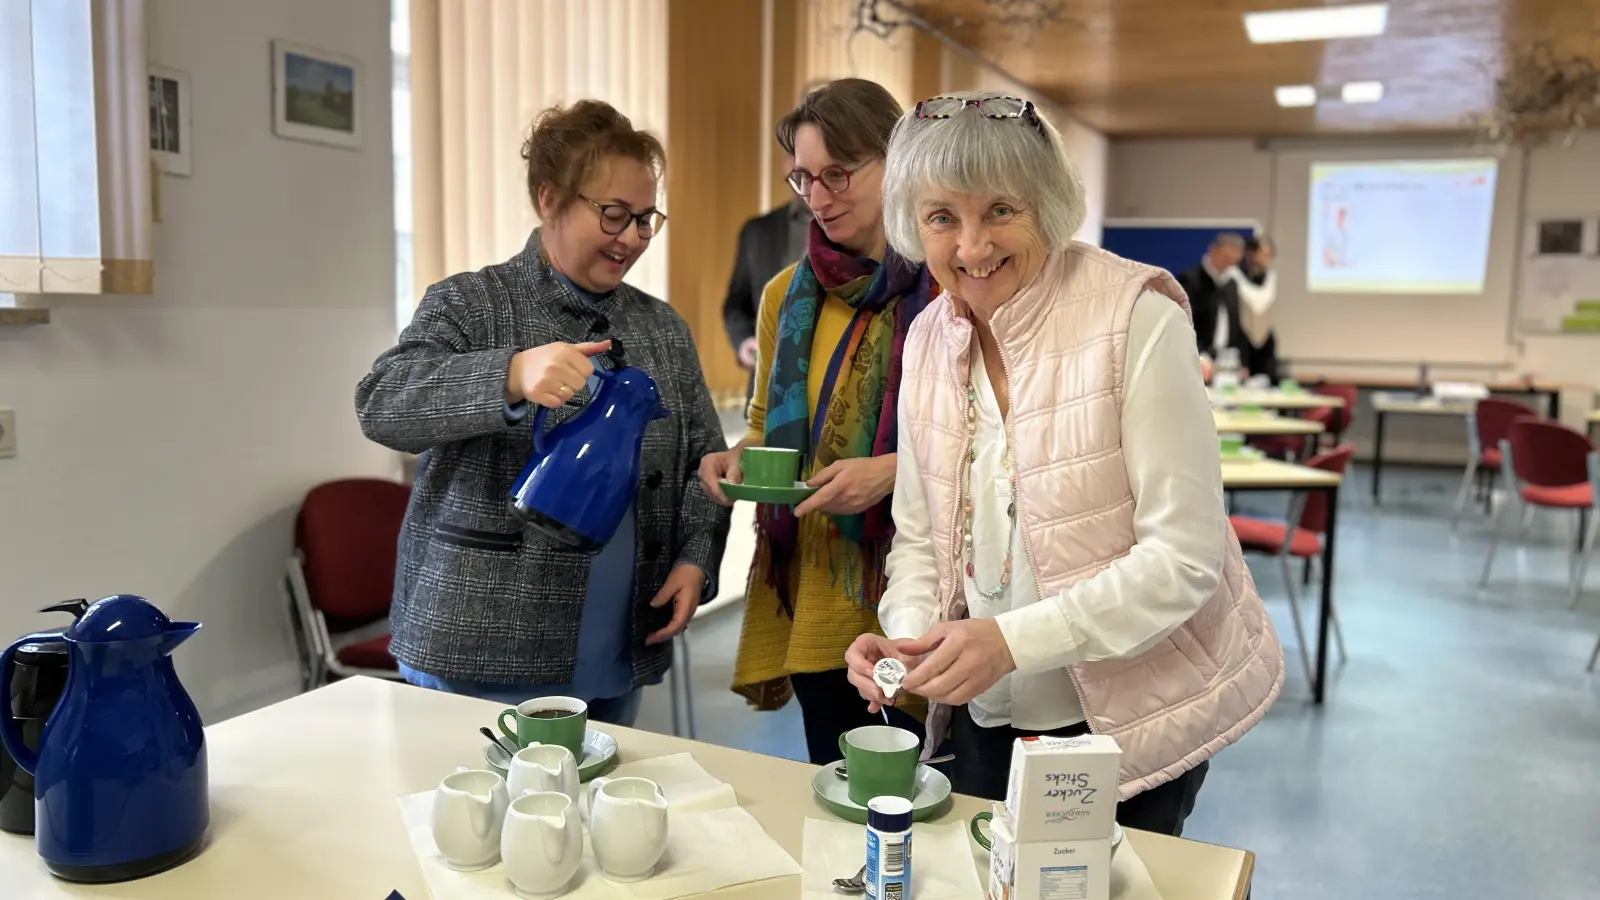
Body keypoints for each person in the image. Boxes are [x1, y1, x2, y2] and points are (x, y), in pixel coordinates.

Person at [846, 92, 1283, 836]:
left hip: (1128, 716)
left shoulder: (1136, 317)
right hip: (989, 708)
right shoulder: (928, 338)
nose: (972, 246)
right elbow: (920, 538)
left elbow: (1184, 558)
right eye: (942, 217)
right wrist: (911, 639)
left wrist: (1012, 641)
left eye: (1001, 211)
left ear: (1046, 204)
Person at [355, 100, 730, 727]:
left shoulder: (661, 327)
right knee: (480, 822)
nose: (631, 237)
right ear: (548, 198)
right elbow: (383, 403)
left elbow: (703, 461)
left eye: (644, 219)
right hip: (480, 644)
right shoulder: (473, 304)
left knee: (588, 816)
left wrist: (696, 557)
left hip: (618, 640)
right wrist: (508, 375)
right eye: (613, 214)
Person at [697, 78, 937, 765]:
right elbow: (765, 425)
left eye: (838, 173)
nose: (819, 196)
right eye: (804, 177)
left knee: (926, 802)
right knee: (840, 791)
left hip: (921, 599)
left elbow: (998, 446)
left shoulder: (949, 287)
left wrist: (892, 473)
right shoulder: (785, 296)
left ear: (898, 163)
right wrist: (738, 456)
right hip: (819, 595)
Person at [722, 186, 810, 404]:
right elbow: (736, 303)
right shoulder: (757, 231)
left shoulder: (856, 230)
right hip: (765, 395)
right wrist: (743, 342)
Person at [1233, 235, 1280, 382]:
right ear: (1250, 252)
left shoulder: (1270, 276)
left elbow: (1262, 303)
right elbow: (1256, 302)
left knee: (1268, 379)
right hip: (1241, 336)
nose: (1266, 259)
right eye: (1263, 253)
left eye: (1269, 255)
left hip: (1264, 337)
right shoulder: (1234, 275)